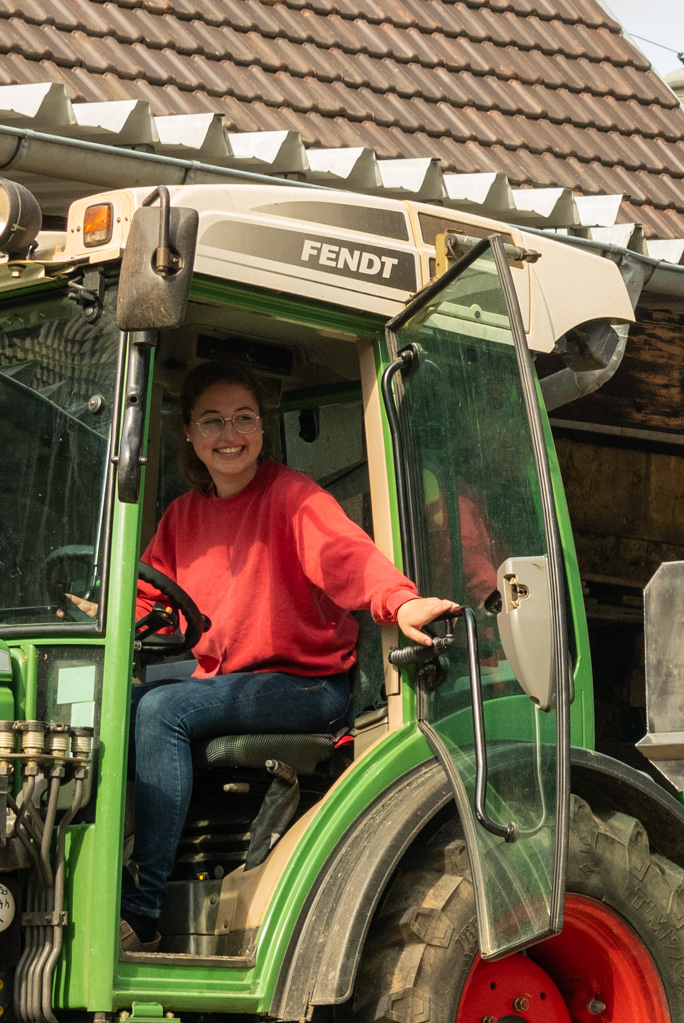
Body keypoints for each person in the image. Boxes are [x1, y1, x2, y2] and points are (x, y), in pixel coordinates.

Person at [120, 363, 461, 947]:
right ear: (190, 434)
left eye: (244, 418)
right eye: (213, 421)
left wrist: (399, 602)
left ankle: (142, 908)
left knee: (160, 710)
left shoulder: (293, 498)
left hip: (305, 686)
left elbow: (348, 557)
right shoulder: (182, 516)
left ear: (262, 427)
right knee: (115, 707)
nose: (230, 434)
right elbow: (149, 597)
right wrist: (103, 617)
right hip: (226, 686)